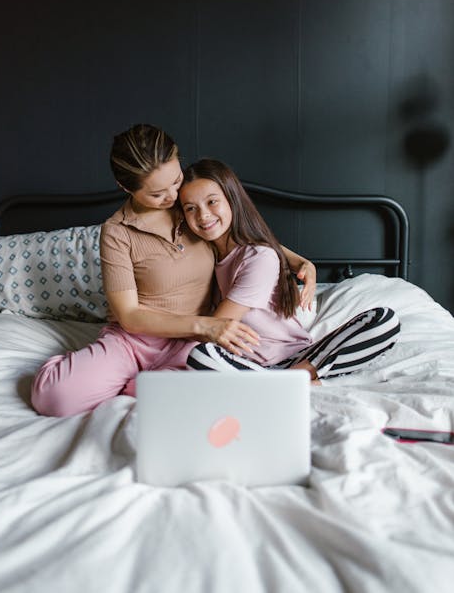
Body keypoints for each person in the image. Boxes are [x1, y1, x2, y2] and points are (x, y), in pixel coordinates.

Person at [31, 125, 316, 416]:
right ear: (126, 187)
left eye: (176, 180)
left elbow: (243, 236)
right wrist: (205, 325)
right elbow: (129, 316)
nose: (172, 195)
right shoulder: (117, 232)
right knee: (53, 398)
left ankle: (133, 384)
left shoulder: (192, 205)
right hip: (136, 340)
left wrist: (298, 261)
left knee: (174, 393)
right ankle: (84, 368)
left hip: (193, 344)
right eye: (157, 193)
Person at [179, 159, 401, 382]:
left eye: (212, 202)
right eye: (190, 208)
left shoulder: (258, 256)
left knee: (383, 319)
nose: (203, 215)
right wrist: (301, 261)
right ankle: (292, 383)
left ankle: (292, 379)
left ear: (232, 199)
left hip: (301, 357)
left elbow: (216, 326)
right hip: (246, 365)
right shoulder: (205, 255)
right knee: (201, 357)